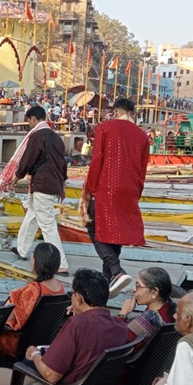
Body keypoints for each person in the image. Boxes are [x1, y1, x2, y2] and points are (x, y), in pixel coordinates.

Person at [0, 268, 129, 385]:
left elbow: (51, 376)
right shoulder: (121, 328)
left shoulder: (76, 325)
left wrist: (34, 354)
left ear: (79, 298)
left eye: (72, 294)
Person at [82, 98, 150, 297]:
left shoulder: (105, 128)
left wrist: (90, 189)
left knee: (94, 228)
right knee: (115, 232)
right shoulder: (143, 136)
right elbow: (143, 169)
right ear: (132, 113)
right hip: (130, 189)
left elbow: (97, 160)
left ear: (116, 112)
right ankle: (108, 281)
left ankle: (116, 270)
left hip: (107, 186)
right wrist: (136, 192)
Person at [0, 105, 69, 274]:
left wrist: (16, 178)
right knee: (32, 215)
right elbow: (62, 164)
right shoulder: (57, 138)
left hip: (42, 184)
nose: (29, 125)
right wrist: (63, 185)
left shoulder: (37, 135)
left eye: (29, 122)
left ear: (33, 119)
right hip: (52, 183)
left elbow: (27, 159)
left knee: (47, 224)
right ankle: (22, 249)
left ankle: (61, 263)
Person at [0, 243, 66, 360]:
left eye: (33, 255)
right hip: (44, 340)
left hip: (21, 344)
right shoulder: (60, 287)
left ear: (37, 262)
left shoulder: (33, 289)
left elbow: (8, 319)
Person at [117, 267, 176, 347]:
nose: (134, 289)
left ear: (154, 292)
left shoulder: (149, 319)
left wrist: (122, 314)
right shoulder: (168, 307)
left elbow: (116, 340)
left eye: (138, 286)